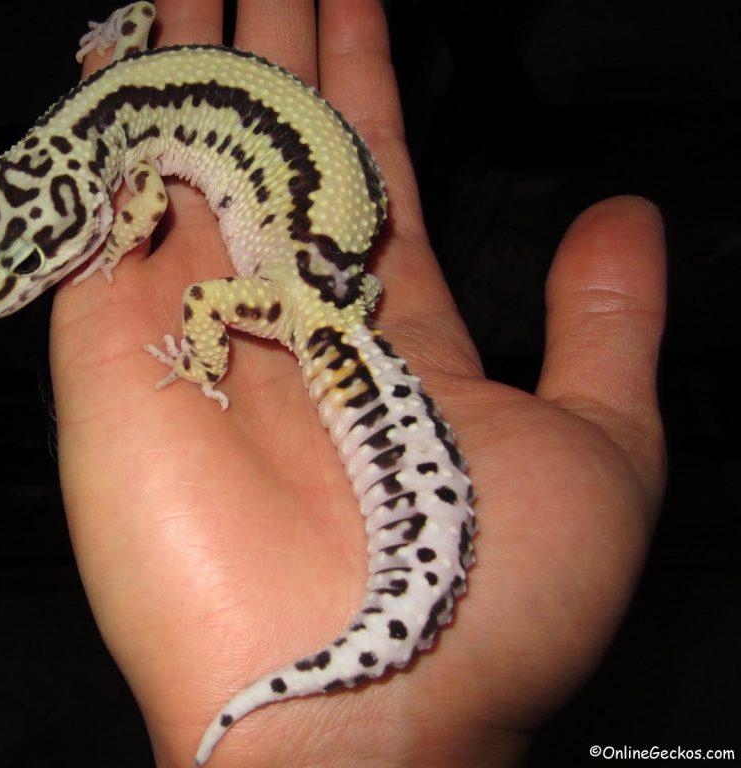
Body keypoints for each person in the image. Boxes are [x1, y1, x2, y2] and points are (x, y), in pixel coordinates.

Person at [51, 1, 667, 764]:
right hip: (328, 238)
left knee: (203, 300)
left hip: (306, 274)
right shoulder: (120, 86)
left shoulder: (121, 135)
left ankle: (206, 368)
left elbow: (143, 203)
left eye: (32, 261)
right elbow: (140, 14)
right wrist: (115, 38)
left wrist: (178, 329)